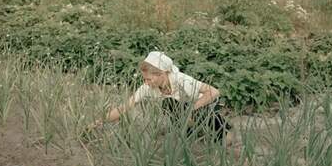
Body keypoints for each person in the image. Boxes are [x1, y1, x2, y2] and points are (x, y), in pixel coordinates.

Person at [93, 51, 232, 144]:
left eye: (149, 79)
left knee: (221, 139)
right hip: (183, 110)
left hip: (204, 105)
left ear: (162, 74)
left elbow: (214, 92)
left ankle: (224, 133)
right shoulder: (148, 88)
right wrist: (99, 121)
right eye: (144, 79)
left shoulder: (181, 80)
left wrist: (192, 110)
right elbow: (124, 107)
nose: (146, 83)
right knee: (169, 103)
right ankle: (189, 130)